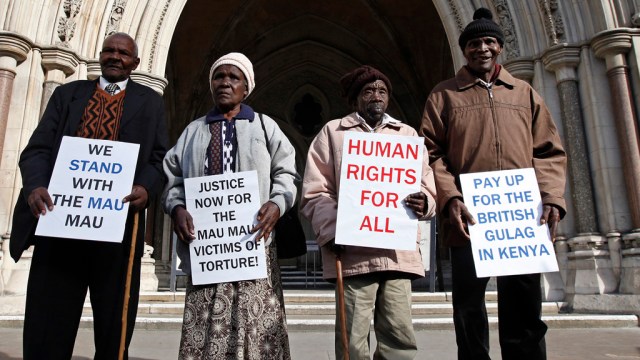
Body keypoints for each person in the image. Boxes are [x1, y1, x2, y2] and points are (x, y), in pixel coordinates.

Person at [10, 32, 169, 359]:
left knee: (114, 328)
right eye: (109, 50)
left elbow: (160, 159)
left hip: (117, 231)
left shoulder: (151, 103)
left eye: (123, 53)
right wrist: (36, 186)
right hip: (61, 227)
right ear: (99, 55)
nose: (115, 57)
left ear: (135, 63)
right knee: (47, 324)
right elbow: (36, 150)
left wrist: (146, 188)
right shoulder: (68, 95)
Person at [420, 8, 567, 360]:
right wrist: (451, 198)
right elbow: (430, 153)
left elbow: (548, 151)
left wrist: (551, 198)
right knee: (469, 310)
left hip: (520, 219)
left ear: (500, 47)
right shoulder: (443, 96)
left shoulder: (523, 93)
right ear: (464, 50)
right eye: (472, 43)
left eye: (488, 41)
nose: (480, 48)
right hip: (468, 219)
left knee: (524, 307)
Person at [162, 52, 298, 359]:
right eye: (218, 77)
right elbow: (173, 178)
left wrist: (277, 204)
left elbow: (287, 172)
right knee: (206, 314)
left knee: (258, 318)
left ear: (246, 87)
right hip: (208, 246)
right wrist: (178, 208)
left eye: (233, 77)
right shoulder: (193, 131)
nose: (225, 82)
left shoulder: (264, 126)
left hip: (254, 242)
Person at [300, 65, 437, 360]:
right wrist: (332, 229)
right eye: (368, 91)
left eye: (382, 91)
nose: (376, 96)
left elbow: (427, 185)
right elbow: (315, 191)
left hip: (396, 254)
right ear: (355, 100)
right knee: (353, 339)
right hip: (352, 256)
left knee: (398, 336)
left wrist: (425, 202)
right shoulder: (333, 133)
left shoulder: (407, 134)